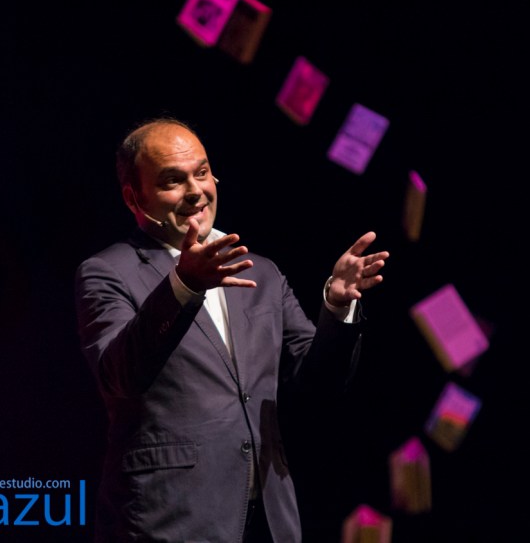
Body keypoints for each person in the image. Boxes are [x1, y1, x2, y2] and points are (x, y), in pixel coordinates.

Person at [74, 117, 389, 542]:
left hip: (268, 518)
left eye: (201, 173)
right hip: (171, 519)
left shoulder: (262, 272)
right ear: (135, 198)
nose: (195, 192)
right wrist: (183, 285)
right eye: (173, 180)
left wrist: (336, 305)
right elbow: (121, 376)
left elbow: (318, 386)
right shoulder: (107, 272)